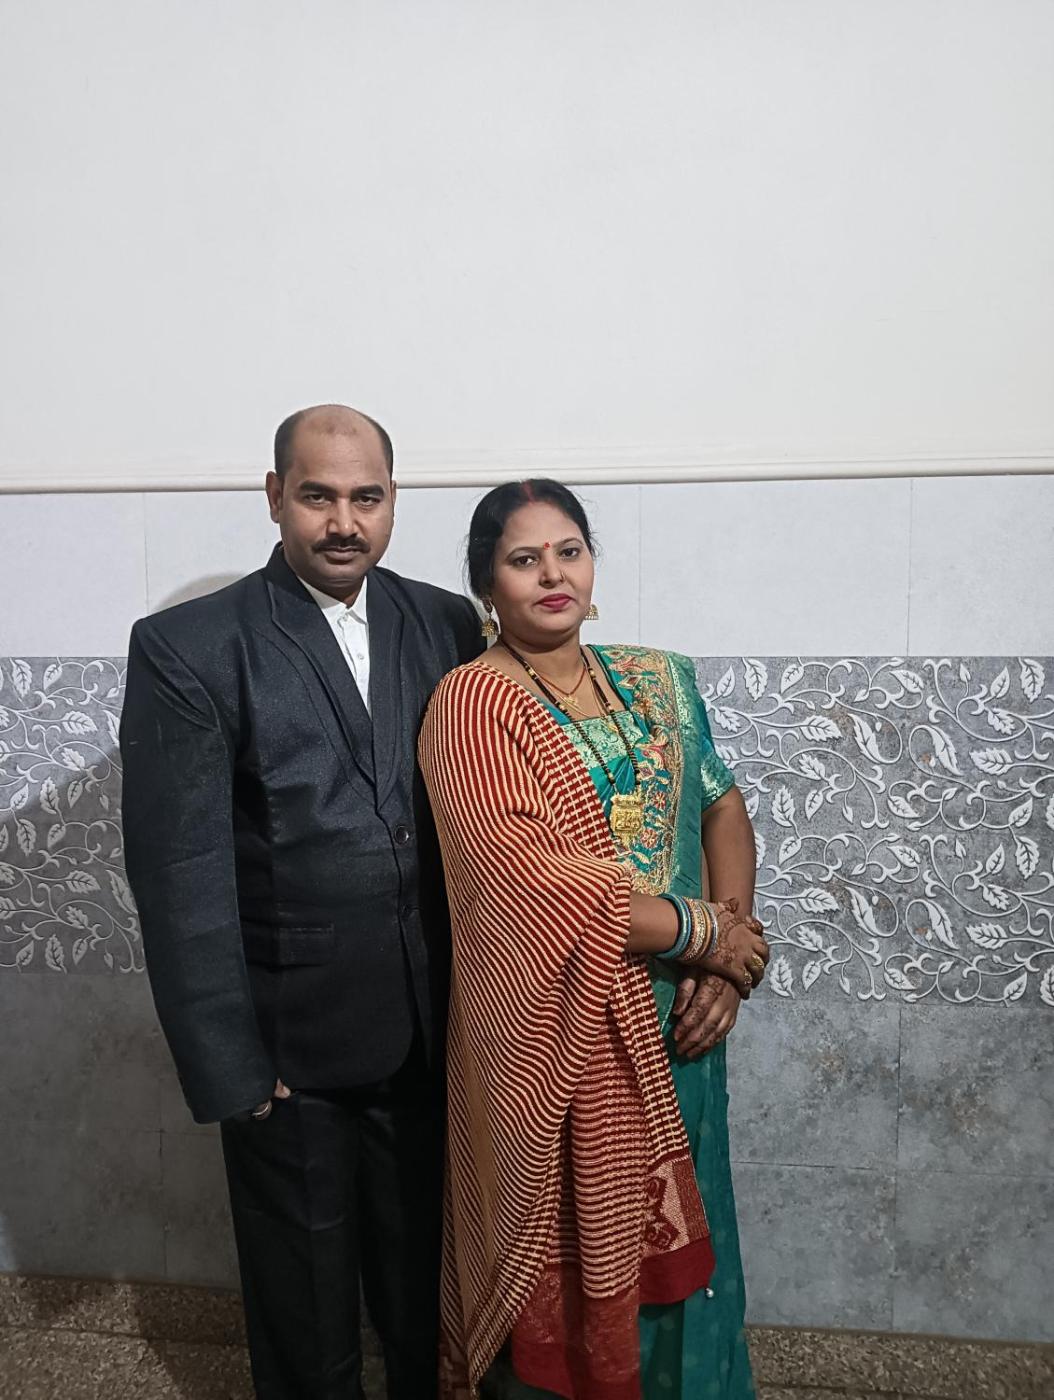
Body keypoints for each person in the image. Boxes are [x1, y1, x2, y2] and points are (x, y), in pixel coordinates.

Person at [119, 404, 483, 1400]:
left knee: (427, 1305)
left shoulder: (447, 622)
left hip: (432, 1036)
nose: (344, 522)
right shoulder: (192, 644)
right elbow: (179, 872)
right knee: (307, 1324)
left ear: (394, 501)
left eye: (367, 497)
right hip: (288, 1055)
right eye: (318, 495)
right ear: (275, 496)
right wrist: (231, 1062)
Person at [418, 479, 767, 1400]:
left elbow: (722, 807)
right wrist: (702, 930)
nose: (552, 575)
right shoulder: (471, 706)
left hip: (685, 1021)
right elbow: (529, 881)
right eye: (523, 559)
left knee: (694, 1244)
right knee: (577, 1261)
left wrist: (725, 963)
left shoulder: (656, 678)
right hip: (563, 1032)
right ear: (487, 585)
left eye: (568, 551)